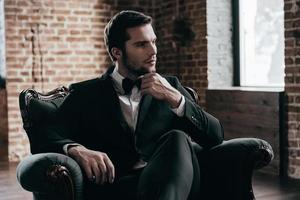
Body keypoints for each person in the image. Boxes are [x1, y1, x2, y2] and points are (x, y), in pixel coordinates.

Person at [46, 10, 224, 200]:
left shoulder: (171, 87)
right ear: (117, 52)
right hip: (117, 188)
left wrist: (175, 98)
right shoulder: (85, 93)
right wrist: (76, 149)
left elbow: (215, 136)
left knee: (177, 138)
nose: (153, 51)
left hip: (168, 180)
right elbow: (46, 132)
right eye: (141, 45)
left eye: (153, 42)